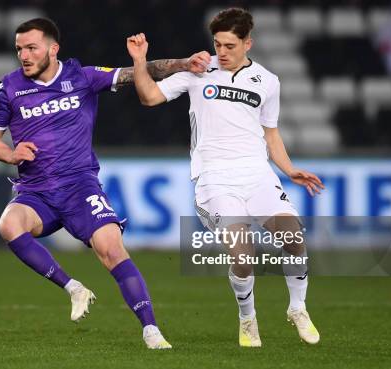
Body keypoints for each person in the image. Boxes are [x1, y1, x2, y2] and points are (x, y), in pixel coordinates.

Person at [0, 17, 208, 349]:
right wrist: (11, 154)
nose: (24, 56)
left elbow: (139, 75)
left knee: (112, 249)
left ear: (52, 48)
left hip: (80, 188)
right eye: (19, 49)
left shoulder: (82, 77)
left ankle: (151, 330)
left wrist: (182, 64)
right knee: (8, 224)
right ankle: (74, 288)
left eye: (31, 48)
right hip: (36, 192)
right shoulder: (10, 87)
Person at [126, 8, 324, 347]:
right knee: (243, 256)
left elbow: (271, 135)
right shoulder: (198, 71)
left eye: (230, 45)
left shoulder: (268, 81)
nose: (222, 52)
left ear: (248, 43)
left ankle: (297, 308)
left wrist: (289, 169)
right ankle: (247, 318)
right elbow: (149, 97)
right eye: (217, 44)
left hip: (257, 175)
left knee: (293, 237)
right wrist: (140, 61)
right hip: (214, 179)